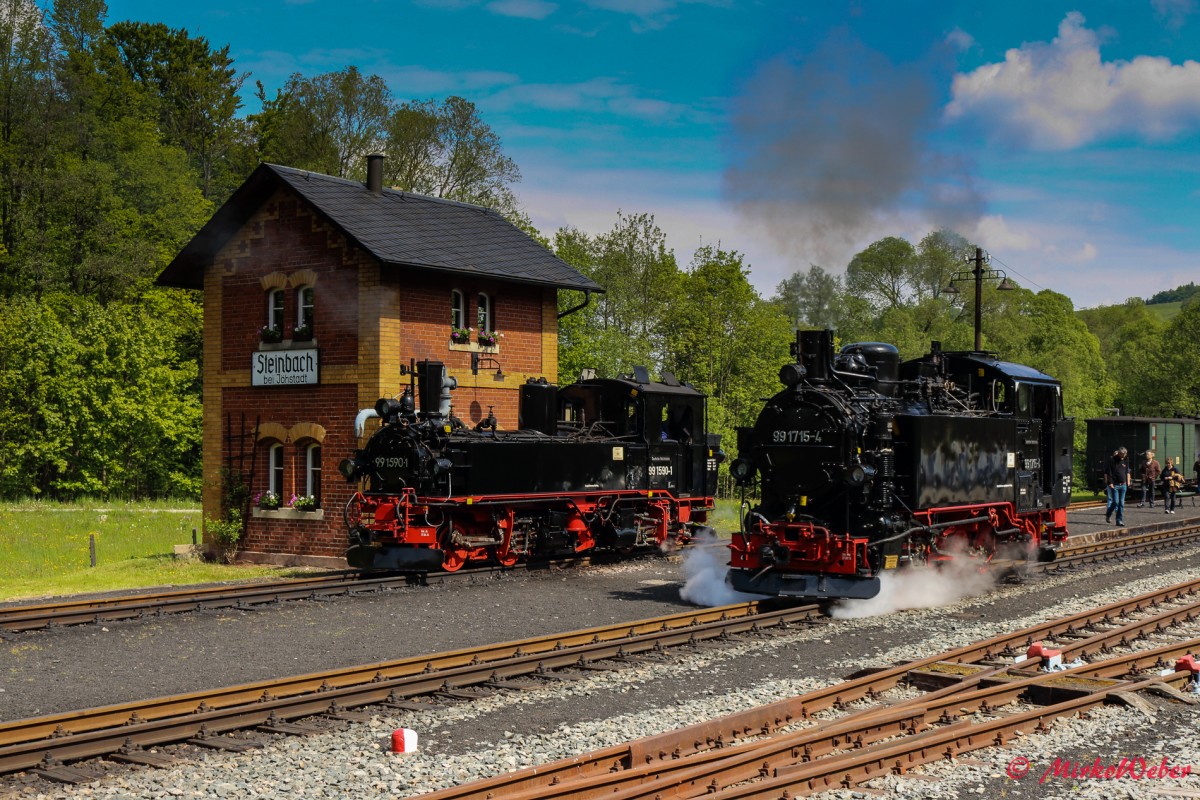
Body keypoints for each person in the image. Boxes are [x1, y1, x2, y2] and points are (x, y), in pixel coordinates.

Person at [1105, 447, 1130, 526]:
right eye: (1122, 454)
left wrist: (1127, 481)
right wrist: (1110, 482)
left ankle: (1119, 520)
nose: (1123, 456)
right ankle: (1108, 514)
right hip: (1115, 485)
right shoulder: (1112, 460)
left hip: (1123, 485)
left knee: (1121, 504)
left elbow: (1126, 471)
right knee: (1116, 502)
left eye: (1125, 454)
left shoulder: (1126, 460)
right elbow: (1109, 472)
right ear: (1119, 453)